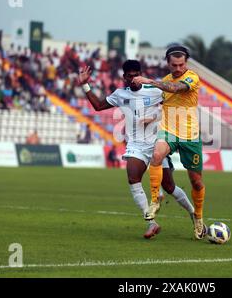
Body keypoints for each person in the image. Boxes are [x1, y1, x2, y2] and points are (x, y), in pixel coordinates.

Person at [78, 60, 195, 239]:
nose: (133, 79)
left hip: (158, 143)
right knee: (133, 178)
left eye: (136, 75)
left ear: (140, 74)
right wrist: (85, 85)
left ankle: (194, 214)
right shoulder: (120, 94)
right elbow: (98, 106)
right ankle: (151, 223)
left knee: (169, 186)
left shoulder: (155, 90)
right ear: (124, 77)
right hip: (136, 145)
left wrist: (155, 117)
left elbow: (174, 108)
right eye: (130, 76)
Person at [132, 46, 207, 240]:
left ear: (186, 63)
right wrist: (152, 118)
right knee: (156, 155)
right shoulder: (164, 81)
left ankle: (198, 217)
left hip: (190, 135)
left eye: (181, 64)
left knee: (196, 182)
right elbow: (163, 104)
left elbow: (176, 88)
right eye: (174, 65)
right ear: (168, 63)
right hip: (169, 132)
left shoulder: (192, 78)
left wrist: (149, 81)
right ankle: (155, 200)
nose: (178, 68)